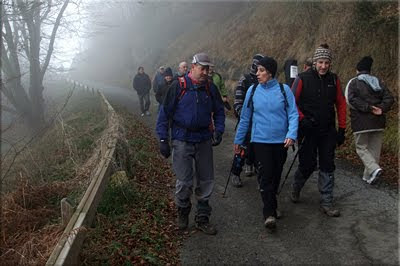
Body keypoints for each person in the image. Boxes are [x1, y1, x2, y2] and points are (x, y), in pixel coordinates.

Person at [156, 52, 225, 235]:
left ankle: (202, 218)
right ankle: (183, 212)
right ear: (193, 67)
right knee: (184, 181)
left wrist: (219, 130)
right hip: (182, 139)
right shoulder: (178, 87)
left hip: (203, 139)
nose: (205, 72)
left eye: (207, 69)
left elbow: (219, 111)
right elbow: (164, 114)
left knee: (206, 180)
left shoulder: (210, 89)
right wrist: (163, 139)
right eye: (202, 68)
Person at [234, 56, 298, 230]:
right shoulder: (252, 91)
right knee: (266, 175)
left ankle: (272, 203)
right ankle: (268, 213)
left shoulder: (284, 90)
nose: (257, 73)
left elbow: (293, 114)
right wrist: (239, 140)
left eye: (261, 71)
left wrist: (291, 134)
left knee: (276, 175)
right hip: (259, 141)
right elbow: (245, 118)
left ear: (270, 73)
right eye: (257, 70)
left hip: (280, 142)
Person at [290, 43, 347, 217]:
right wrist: (302, 119)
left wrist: (342, 129)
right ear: (315, 62)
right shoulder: (303, 78)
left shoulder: (334, 80)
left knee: (327, 165)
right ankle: (297, 185)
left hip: (327, 130)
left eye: (326, 63)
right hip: (307, 130)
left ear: (330, 64)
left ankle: (327, 201)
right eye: (320, 62)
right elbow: (291, 102)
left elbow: (341, 104)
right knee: (307, 164)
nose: (323, 66)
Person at [345, 56, 394, 184]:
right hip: (378, 121)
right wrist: (381, 109)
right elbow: (389, 98)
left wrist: (367, 108)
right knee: (374, 149)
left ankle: (374, 169)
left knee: (361, 147)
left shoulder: (354, 82)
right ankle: (369, 177)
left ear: (357, 70)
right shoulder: (378, 81)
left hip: (362, 122)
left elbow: (351, 100)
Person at [231, 54, 263, 187]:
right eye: (258, 67)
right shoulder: (245, 79)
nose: (260, 71)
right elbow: (238, 100)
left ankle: (254, 167)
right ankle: (235, 173)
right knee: (242, 149)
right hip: (247, 121)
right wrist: (243, 115)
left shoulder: (265, 81)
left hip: (260, 123)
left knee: (258, 149)